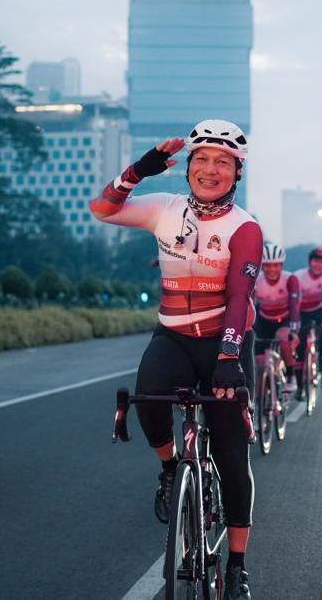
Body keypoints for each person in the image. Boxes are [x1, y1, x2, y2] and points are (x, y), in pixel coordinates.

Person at [89, 119, 260, 599]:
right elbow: (101, 209)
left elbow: (239, 293)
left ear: (236, 172)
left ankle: (238, 565)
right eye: (202, 159)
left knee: (230, 451)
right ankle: (170, 470)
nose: (210, 170)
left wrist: (229, 355)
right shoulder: (163, 209)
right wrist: (137, 171)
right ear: (187, 168)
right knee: (149, 400)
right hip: (174, 336)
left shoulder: (244, 227)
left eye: (222, 162)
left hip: (225, 341)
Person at [253, 243, 300, 394]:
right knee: (260, 363)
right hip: (264, 320)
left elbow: (294, 304)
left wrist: (293, 327)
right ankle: (264, 400)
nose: (271, 270)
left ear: (281, 265)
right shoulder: (256, 280)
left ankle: (291, 375)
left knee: (282, 338)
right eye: (267, 266)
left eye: (276, 265)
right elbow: (249, 304)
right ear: (261, 266)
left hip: (284, 319)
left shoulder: (290, 279)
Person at [294, 248, 322, 393]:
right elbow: (293, 300)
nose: (318, 265)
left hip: (319, 310)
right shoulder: (299, 276)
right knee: (300, 346)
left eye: (321, 262)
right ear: (309, 262)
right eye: (315, 261)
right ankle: (300, 387)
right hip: (302, 311)